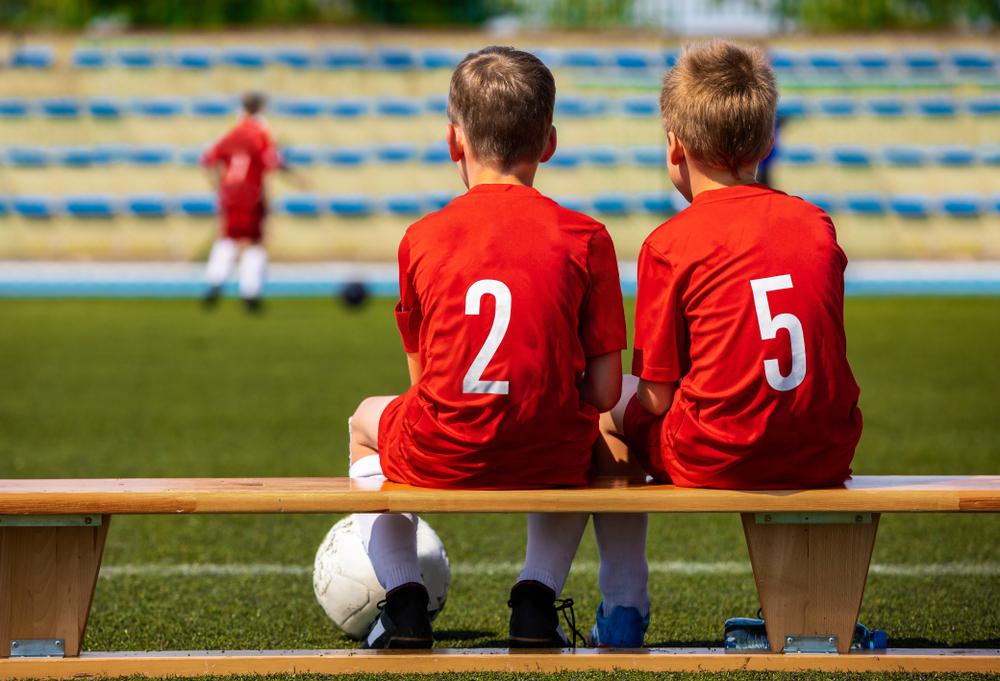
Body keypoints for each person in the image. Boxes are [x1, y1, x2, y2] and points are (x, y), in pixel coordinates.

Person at [346, 46, 628, 650]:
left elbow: (423, 383)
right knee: (590, 434)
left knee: (363, 420)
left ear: (454, 140)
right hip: (552, 455)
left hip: (440, 453)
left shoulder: (420, 238)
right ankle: (535, 600)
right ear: (548, 142)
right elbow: (604, 391)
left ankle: (404, 604)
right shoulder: (587, 237)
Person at [597, 39, 863, 642]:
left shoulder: (670, 243)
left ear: (675, 145)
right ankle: (812, 611)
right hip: (828, 450)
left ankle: (623, 605)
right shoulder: (815, 223)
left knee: (600, 407)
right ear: (766, 145)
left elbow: (658, 399)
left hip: (716, 453)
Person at [200, 91, 296, 313]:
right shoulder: (260, 132)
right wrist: (297, 178)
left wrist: (218, 186)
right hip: (251, 193)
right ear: (260, 107)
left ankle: (215, 281)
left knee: (228, 237)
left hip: (230, 193)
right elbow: (272, 161)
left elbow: (208, 159)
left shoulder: (233, 130)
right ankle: (250, 292)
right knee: (254, 242)